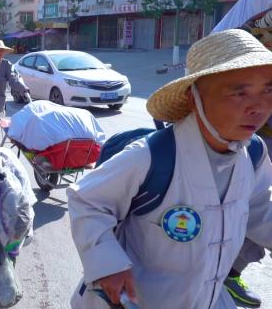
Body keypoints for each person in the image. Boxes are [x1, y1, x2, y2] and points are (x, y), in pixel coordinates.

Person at [67, 29, 272, 309]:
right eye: (239, 92)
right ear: (193, 98)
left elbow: (260, 211)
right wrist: (107, 264)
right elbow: (86, 200)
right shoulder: (151, 156)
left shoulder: (254, 154)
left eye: (268, 90)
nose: (258, 106)